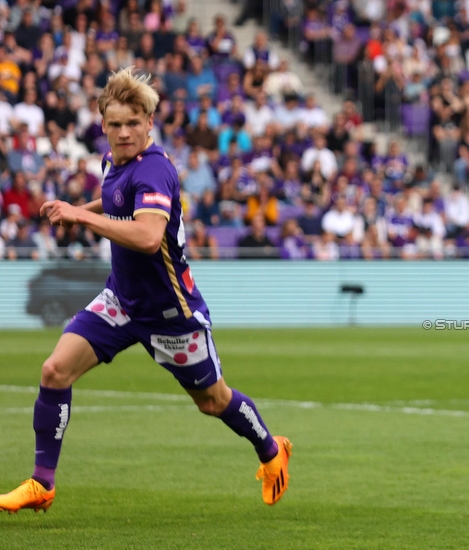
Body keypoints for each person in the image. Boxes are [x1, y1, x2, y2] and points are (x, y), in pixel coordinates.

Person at [0, 68, 293, 514]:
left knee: (213, 401)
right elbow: (118, 201)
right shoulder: (112, 163)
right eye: (115, 124)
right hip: (121, 300)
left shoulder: (154, 169)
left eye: (133, 124)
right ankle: (43, 483)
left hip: (169, 315)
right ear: (102, 124)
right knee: (54, 371)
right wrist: (82, 208)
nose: (124, 133)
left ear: (150, 123)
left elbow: (147, 236)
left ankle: (272, 450)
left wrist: (81, 218)